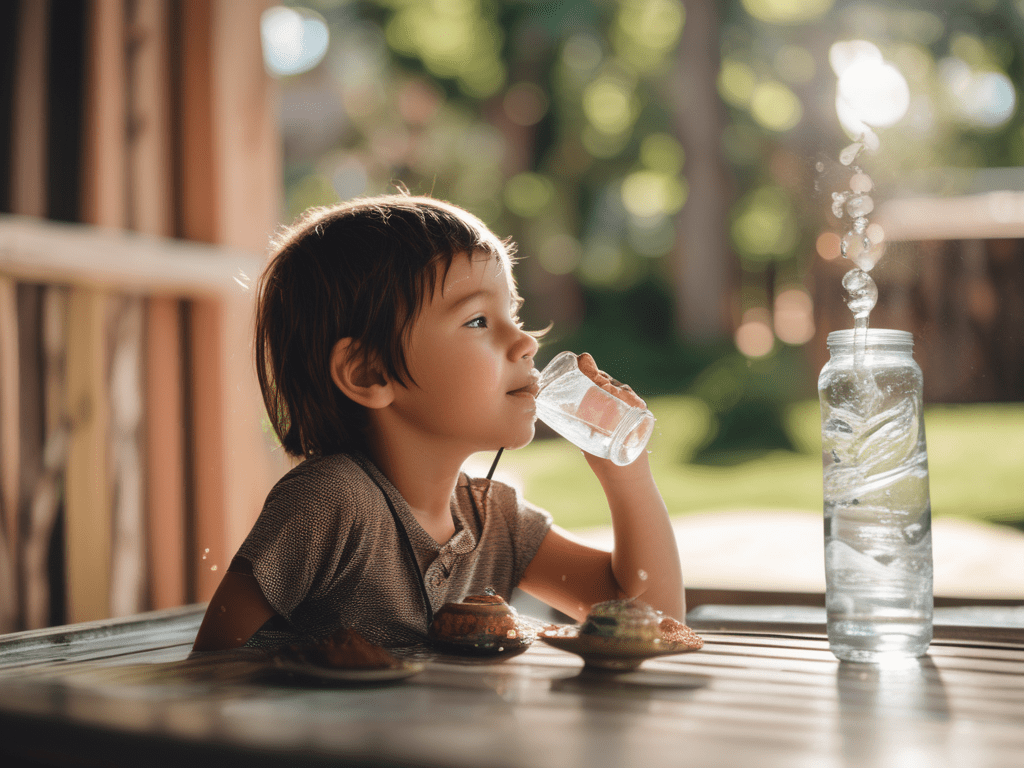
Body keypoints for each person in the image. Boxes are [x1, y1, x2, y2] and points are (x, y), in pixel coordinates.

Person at [192, 194, 684, 651]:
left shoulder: (492, 518)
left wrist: (626, 472)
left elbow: (652, 621)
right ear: (369, 373)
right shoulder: (331, 503)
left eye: (512, 312)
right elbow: (209, 676)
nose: (526, 342)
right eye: (478, 321)